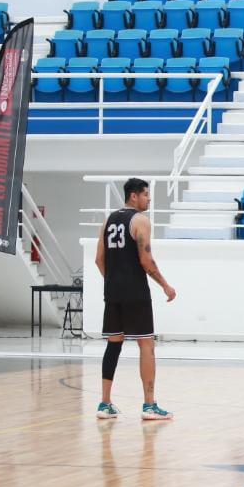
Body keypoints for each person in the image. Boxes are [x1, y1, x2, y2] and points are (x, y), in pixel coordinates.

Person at [94, 178, 177, 421]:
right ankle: (149, 405)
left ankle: (105, 403)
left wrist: (113, 281)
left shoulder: (107, 221)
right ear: (133, 196)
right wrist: (165, 285)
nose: (149, 199)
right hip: (135, 292)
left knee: (113, 344)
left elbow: (99, 260)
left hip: (112, 292)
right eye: (145, 195)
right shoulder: (140, 221)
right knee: (146, 345)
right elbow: (146, 261)